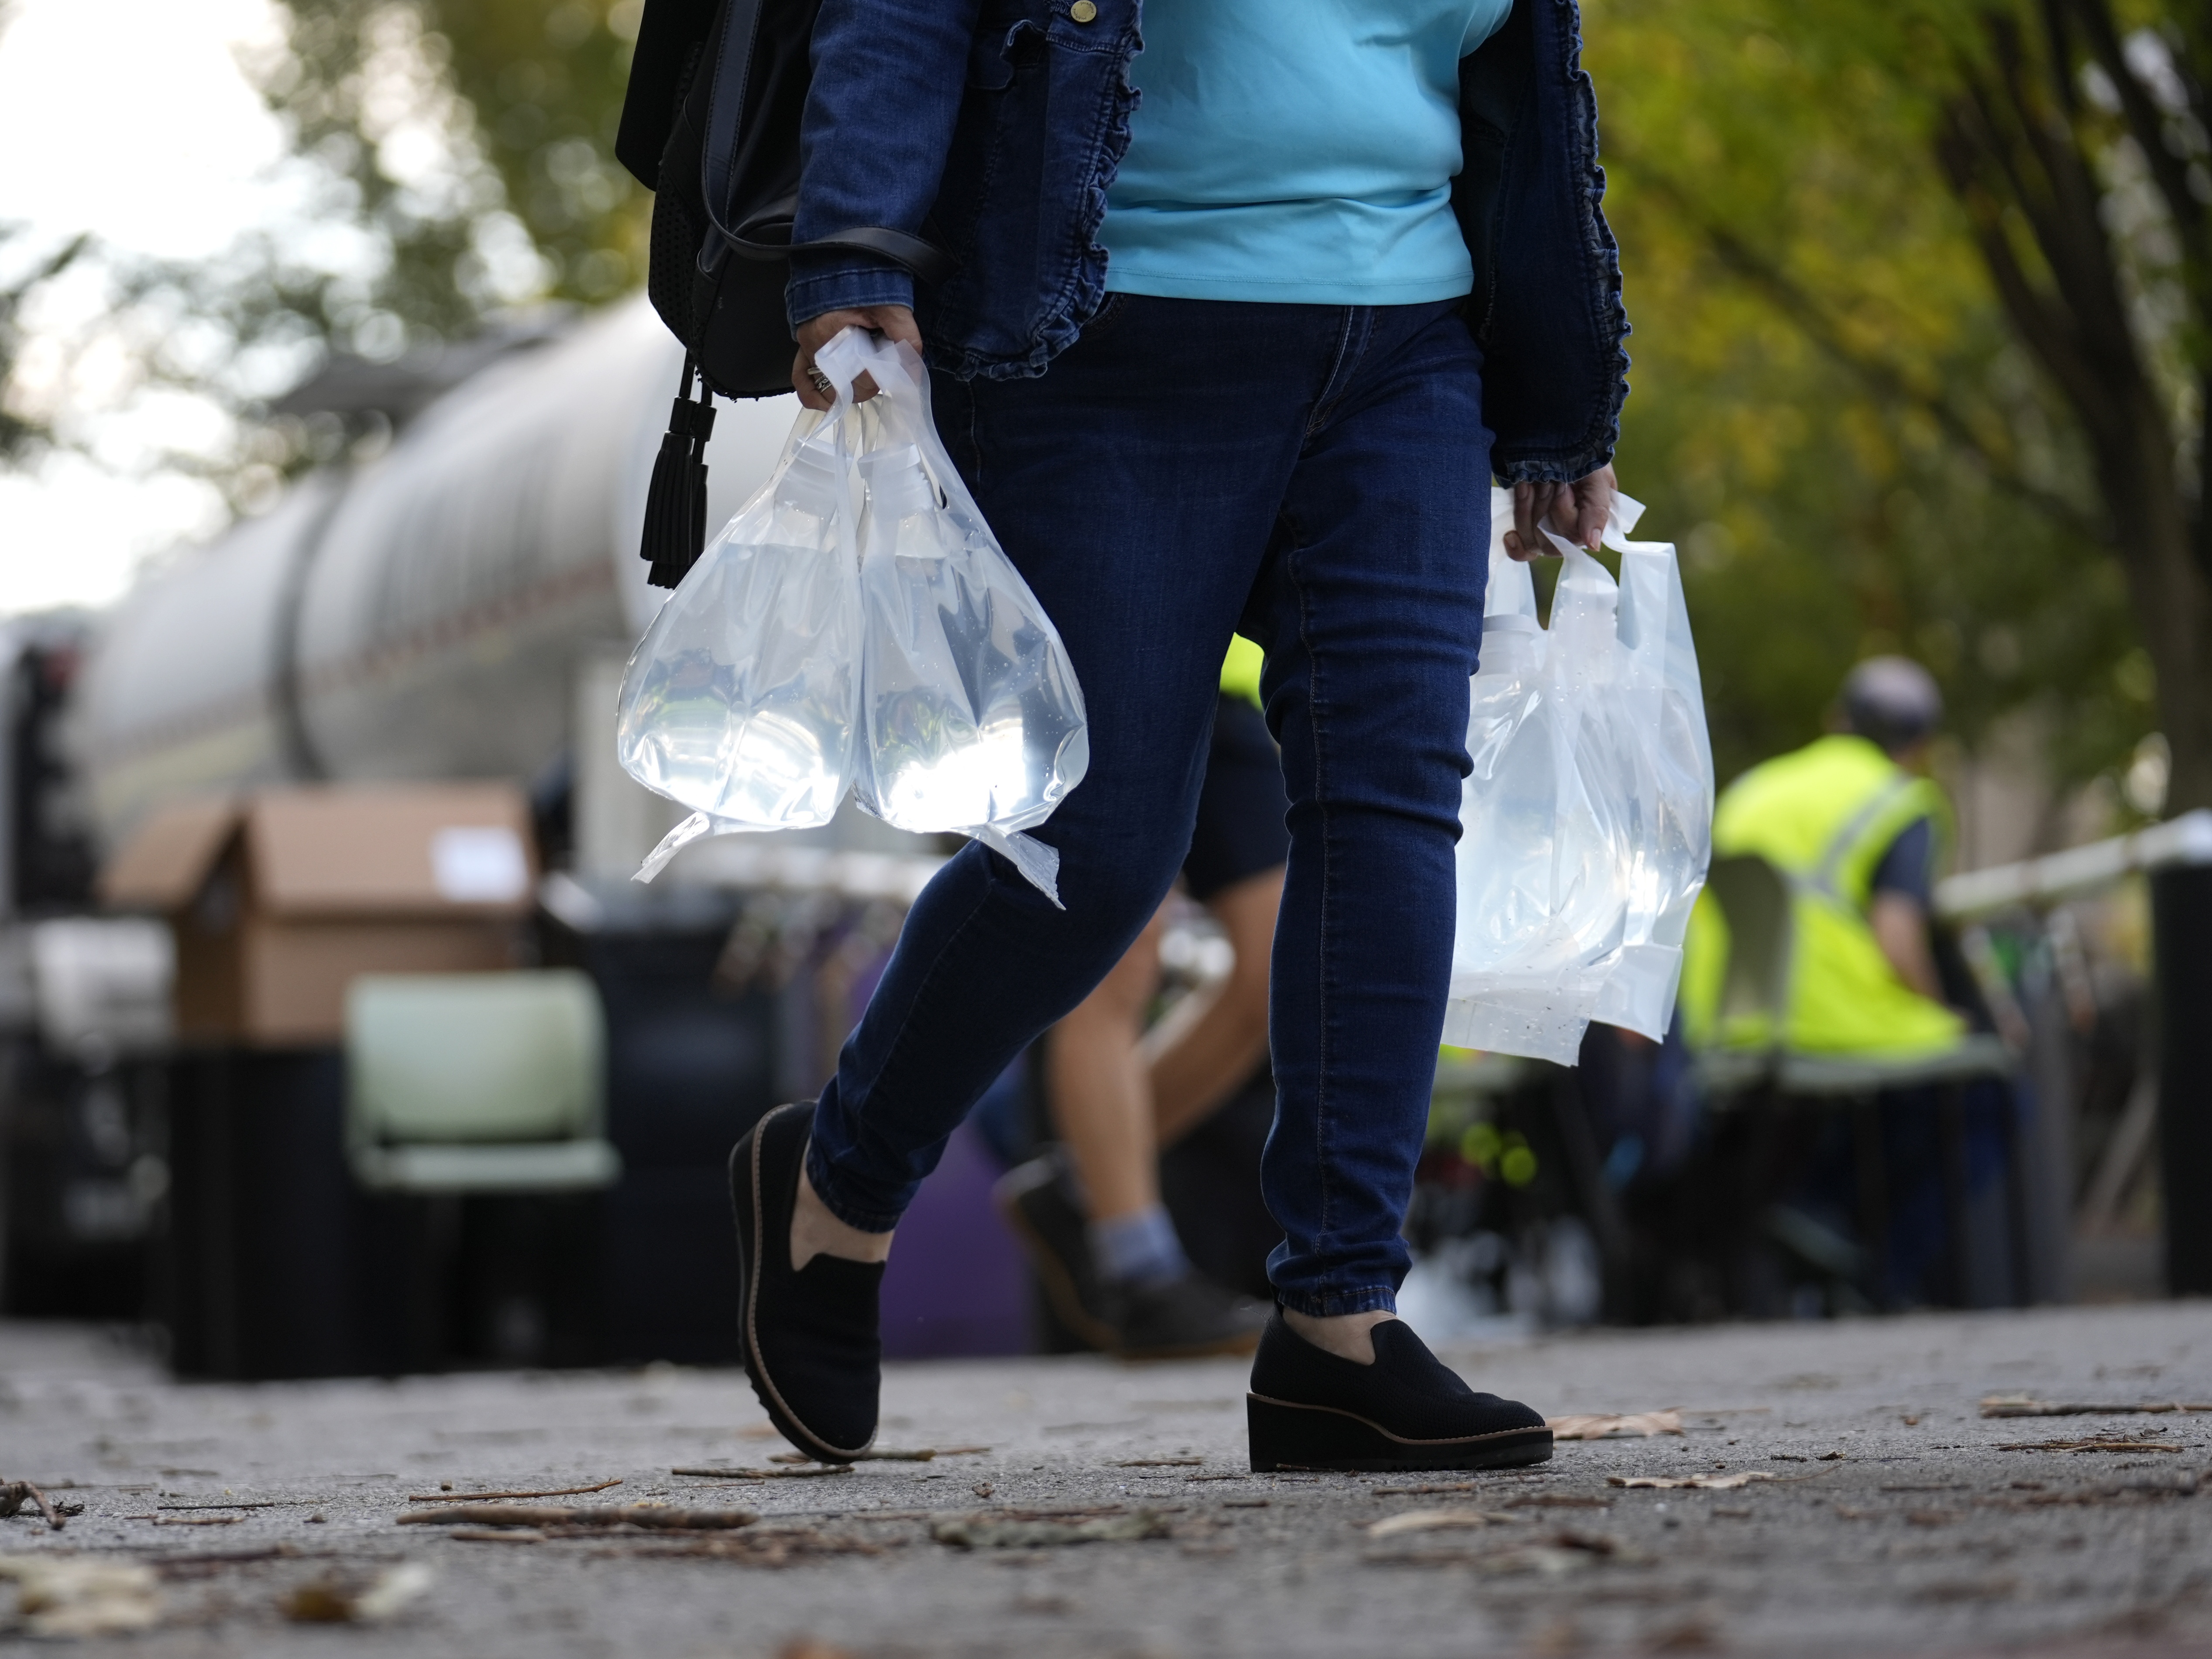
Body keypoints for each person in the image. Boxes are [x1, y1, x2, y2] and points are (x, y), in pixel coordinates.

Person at [728, 0, 1629, 1473]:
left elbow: (1516, 81)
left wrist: (1553, 388)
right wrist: (853, 249)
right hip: (1106, 322)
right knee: (1098, 844)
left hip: (1406, 339)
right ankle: (838, 1180)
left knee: (1392, 795)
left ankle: (1337, 1323)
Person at [996, 639, 1283, 1360]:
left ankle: (1075, 1186)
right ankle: (1140, 1273)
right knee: (1115, 951)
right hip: (1080, 654)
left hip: (1212, 668)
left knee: (1280, 960)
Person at [1689, 658, 1963, 1058]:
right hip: (1832, 1026)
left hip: (1715, 1025)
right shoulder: (1901, 801)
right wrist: (1938, 1007)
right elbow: (1898, 938)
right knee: (1975, 1055)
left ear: (1836, 720)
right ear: (1921, 747)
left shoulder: (1751, 788)